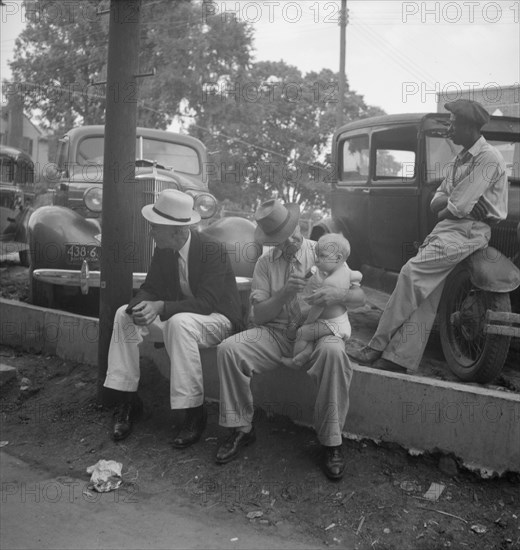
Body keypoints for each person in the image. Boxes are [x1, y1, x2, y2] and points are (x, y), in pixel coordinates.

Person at [349, 98, 508, 373]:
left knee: (411, 274)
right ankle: (398, 359)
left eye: (454, 123)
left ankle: (375, 347)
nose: (450, 128)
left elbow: (457, 207)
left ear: (469, 126)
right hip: (451, 229)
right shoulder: (460, 158)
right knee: (429, 292)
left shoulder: (487, 158)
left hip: (469, 232)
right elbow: (438, 203)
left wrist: (452, 205)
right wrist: (451, 205)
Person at [215, 199, 366, 480]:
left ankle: (331, 442)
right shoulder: (264, 264)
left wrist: (339, 295)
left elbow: (360, 297)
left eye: (294, 232)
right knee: (229, 349)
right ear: (272, 242)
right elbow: (258, 315)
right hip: (276, 332)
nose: (292, 241)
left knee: (334, 353)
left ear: (299, 225)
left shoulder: (324, 251)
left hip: (318, 331)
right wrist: (283, 294)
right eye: (283, 240)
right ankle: (241, 429)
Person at [103, 189, 243, 447]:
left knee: (179, 323)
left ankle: (193, 412)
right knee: (124, 316)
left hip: (218, 320)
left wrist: (160, 306)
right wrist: (139, 305)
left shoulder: (212, 250)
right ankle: (128, 402)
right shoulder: (164, 249)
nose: (151, 233)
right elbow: (151, 287)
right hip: (183, 319)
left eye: (156, 228)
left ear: (178, 231)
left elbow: (206, 303)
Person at [280, 232, 362, 369]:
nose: (317, 260)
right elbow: (358, 275)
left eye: (322, 256)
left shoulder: (330, 282)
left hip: (331, 324)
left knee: (302, 332)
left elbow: (317, 308)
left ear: (338, 258)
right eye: (317, 255)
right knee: (312, 334)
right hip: (338, 322)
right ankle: (307, 352)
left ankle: (295, 362)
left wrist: (307, 322)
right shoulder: (345, 271)